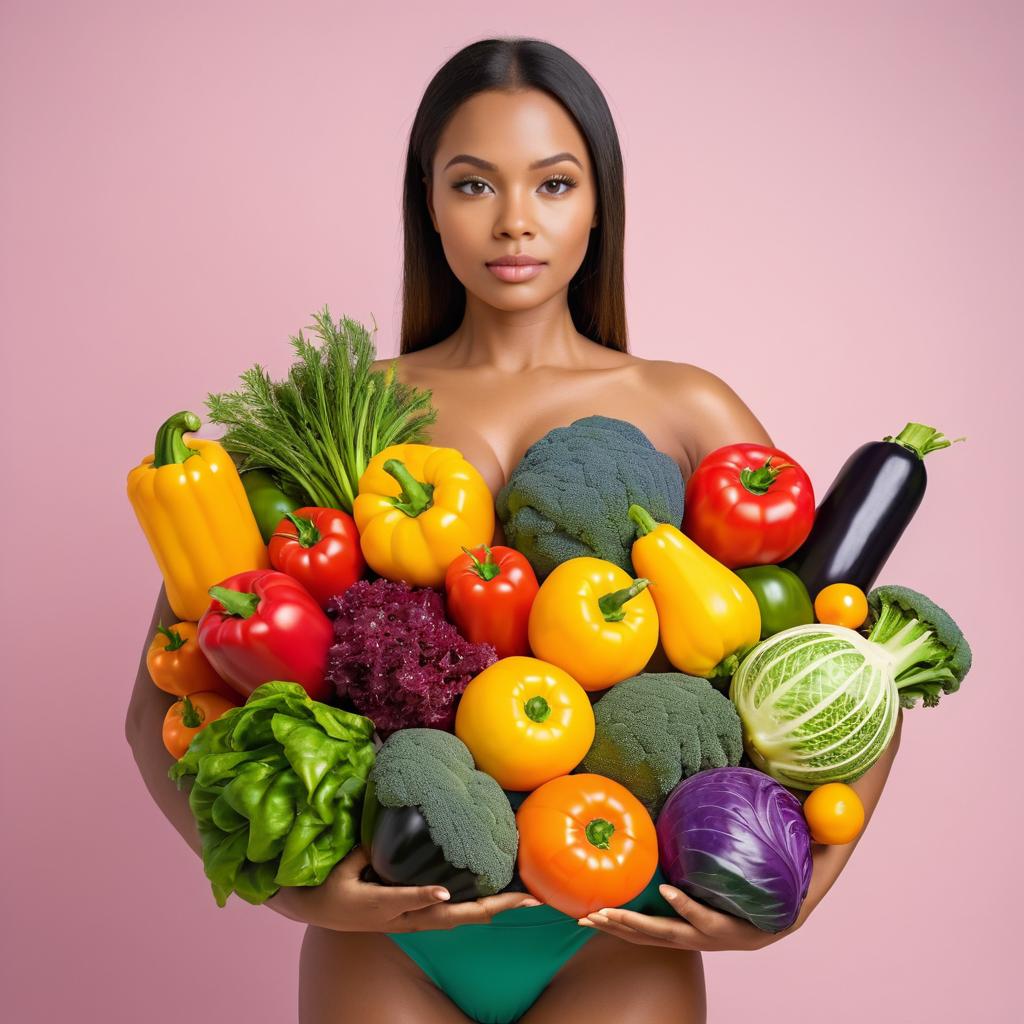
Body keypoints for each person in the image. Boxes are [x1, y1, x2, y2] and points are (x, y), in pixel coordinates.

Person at [125, 36, 903, 1024]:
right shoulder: (335, 411)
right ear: (428, 203)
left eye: (553, 182)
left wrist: (795, 898)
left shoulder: (686, 405)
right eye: (473, 184)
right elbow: (157, 701)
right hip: (391, 941)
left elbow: (856, 665)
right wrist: (286, 890)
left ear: (598, 202)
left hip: (612, 932)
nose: (514, 221)